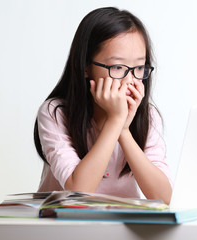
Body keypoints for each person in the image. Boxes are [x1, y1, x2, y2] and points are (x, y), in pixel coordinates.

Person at [33, 7, 172, 204]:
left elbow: (163, 197)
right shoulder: (55, 112)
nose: (130, 80)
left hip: (121, 229)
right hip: (64, 226)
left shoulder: (147, 116)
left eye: (139, 68)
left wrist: (124, 130)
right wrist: (115, 121)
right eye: (117, 67)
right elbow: (78, 191)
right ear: (85, 67)